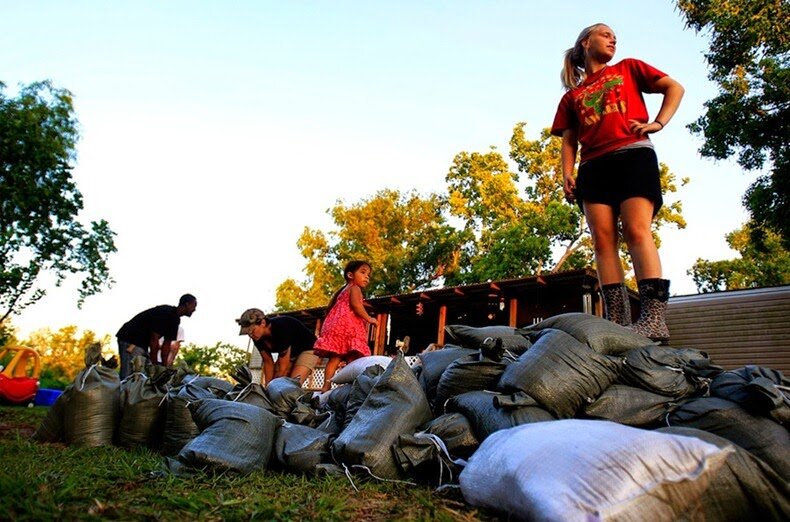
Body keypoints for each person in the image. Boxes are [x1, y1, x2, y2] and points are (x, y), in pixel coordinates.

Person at [550, 23, 684, 343]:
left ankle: (652, 319)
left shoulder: (629, 68)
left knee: (636, 230)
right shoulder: (573, 97)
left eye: (614, 36)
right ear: (585, 42)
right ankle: (618, 320)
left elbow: (674, 88)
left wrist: (658, 122)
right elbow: (569, 142)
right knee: (602, 241)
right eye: (605, 33)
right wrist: (567, 173)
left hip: (634, 155)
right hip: (593, 167)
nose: (613, 38)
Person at [313, 260, 378, 392]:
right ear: (350, 275)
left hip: (335, 328)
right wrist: (369, 318)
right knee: (353, 359)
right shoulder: (355, 288)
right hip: (348, 328)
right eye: (363, 272)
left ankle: (326, 386)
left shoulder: (343, 291)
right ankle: (352, 386)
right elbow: (357, 306)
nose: (367, 277)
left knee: (334, 358)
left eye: (368, 275)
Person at [116, 293, 197, 379]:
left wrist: (164, 369)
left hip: (142, 344)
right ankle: (123, 390)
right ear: (187, 304)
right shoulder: (166, 313)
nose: (194, 309)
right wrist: (155, 367)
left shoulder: (175, 320)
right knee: (131, 374)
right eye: (194, 305)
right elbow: (153, 340)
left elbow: (166, 345)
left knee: (144, 375)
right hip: (130, 340)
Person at [236, 309, 319, 385]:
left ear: (263, 323)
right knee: (272, 383)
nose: (251, 335)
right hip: (291, 353)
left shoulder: (280, 328)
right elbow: (268, 362)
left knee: (292, 384)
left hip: (308, 349)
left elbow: (283, 369)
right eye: (248, 333)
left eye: (252, 331)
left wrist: (273, 387)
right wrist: (267, 387)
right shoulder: (257, 337)